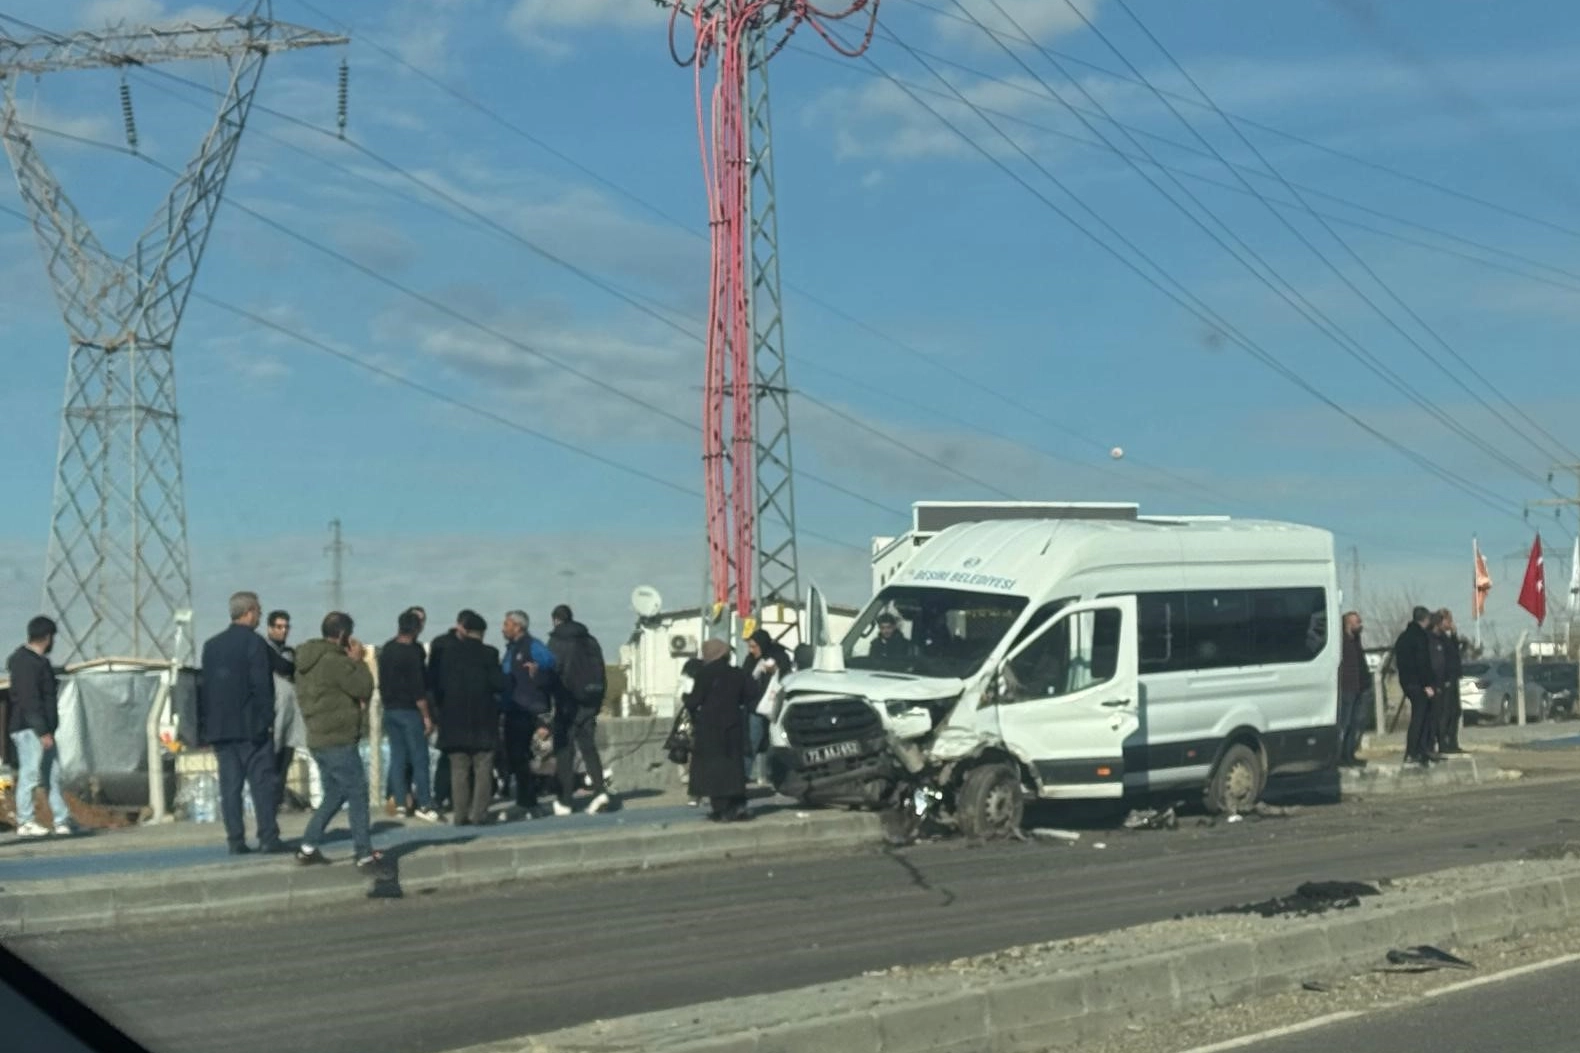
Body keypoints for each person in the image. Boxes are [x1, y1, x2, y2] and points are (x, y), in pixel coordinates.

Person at [294, 612, 389, 874]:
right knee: (357, 792)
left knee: (336, 793)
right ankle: (363, 853)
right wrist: (358, 662)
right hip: (339, 738)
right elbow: (363, 688)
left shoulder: (306, 661)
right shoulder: (335, 662)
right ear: (343, 635)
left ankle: (307, 847)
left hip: (318, 738)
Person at [197, 592, 283, 854]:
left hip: (220, 729)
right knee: (262, 784)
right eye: (258, 611)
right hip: (251, 728)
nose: (259, 616)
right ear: (249, 612)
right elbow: (261, 685)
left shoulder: (211, 646)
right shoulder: (254, 643)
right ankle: (268, 836)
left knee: (230, 787)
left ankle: (235, 839)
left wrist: (206, 726)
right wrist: (267, 719)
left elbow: (205, 688)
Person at [437, 611, 506, 826]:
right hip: (483, 721)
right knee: (483, 768)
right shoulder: (490, 654)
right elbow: (499, 684)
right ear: (482, 632)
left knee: (459, 770)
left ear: (464, 630)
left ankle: (460, 815)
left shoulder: (448, 654)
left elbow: (438, 686)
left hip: (454, 721)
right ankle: (479, 814)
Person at [7, 616, 71, 838]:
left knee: (52, 775)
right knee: (31, 774)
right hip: (29, 729)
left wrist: (47, 730)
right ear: (47, 637)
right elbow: (29, 700)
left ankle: (62, 819)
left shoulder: (39, 662)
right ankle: (25, 821)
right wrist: (42, 730)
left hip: (42, 730)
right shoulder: (25, 662)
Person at [548, 604, 611, 815]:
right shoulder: (591, 641)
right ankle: (600, 791)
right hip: (590, 702)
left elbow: (552, 672)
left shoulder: (557, 641)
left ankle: (566, 800)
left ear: (556, 620)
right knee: (589, 749)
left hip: (568, 703)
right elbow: (601, 672)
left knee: (565, 751)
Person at [685, 638, 755, 822]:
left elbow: (694, 701)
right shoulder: (737, 673)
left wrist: (685, 697)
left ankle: (721, 810)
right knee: (733, 768)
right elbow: (750, 696)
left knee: (714, 770)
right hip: (733, 726)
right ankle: (737, 807)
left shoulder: (704, 674)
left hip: (710, 728)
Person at [380, 610, 439, 822]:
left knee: (398, 758)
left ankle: (400, 803)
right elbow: (418, 688)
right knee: (420, 758)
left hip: (390, 709)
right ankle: (424, 803)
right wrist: (427, 716)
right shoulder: (412, 652)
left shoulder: (387, 648)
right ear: (416, 628)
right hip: (410, 710)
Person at [501, 610, 557, 814]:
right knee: (515, 756)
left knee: (522, 755)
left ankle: (528, 800)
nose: (503, 628)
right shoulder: (512, 649)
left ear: (518, 627)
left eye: (507, 624)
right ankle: (526, 799)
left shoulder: (532, 645)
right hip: (513, 707)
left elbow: (551, 661)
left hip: (527, 709)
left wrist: (538, 667)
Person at [264, 610, 307, 810]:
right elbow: (282, 666)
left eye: (286, 627)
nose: (283, 631)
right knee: (272, 760)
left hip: (291, 716)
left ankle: (278, 799)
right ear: (270, 628)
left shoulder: (289, 652)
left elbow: (292, 668)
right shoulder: (264, 650)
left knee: (286, 760)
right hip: (274, 715)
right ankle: (269, 802)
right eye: (279, 627)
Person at [742, 629, 792, 784]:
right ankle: (744, 775)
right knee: (752, 740)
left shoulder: (779, 656)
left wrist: (775, 670)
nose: (752, 650)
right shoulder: (750, 660)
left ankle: (772, 774)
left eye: (754, 646)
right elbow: (744, 678)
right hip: (755, 707)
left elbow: (786, 676)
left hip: (775, 708)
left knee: (774, 740)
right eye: (750, 647)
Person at [1394, 606, 1439, 766]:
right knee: (1420, 717)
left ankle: (1418, 750)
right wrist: (1427, 684)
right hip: (1418, 683)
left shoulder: (1403, 637)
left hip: (1406, 681)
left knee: (1419, 715)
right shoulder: (1419, 637)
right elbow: (1422, 662)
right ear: (1425, 619)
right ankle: (1414, 751)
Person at [1336, 611, 1371, 768]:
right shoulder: (1341, 641)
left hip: (1359, 686)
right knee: (1345, 723)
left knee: (1356, 723)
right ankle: (1340, 755)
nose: (1360, 625)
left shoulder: (1356, 640)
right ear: (1349, 624)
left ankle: (1350, 754)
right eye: (1357, 622)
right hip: (1347, 687)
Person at [1435, 609, 1466, 754]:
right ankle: (1443, 742)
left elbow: (1454, 653)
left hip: (1453, 678)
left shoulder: (1447, 638)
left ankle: (1453, 741)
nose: (1451, 623)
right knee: (1445, 712)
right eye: (1448, 620)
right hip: (1445, 680)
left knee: (1455, 711)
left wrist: (1454, 635)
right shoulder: (1438, 638)